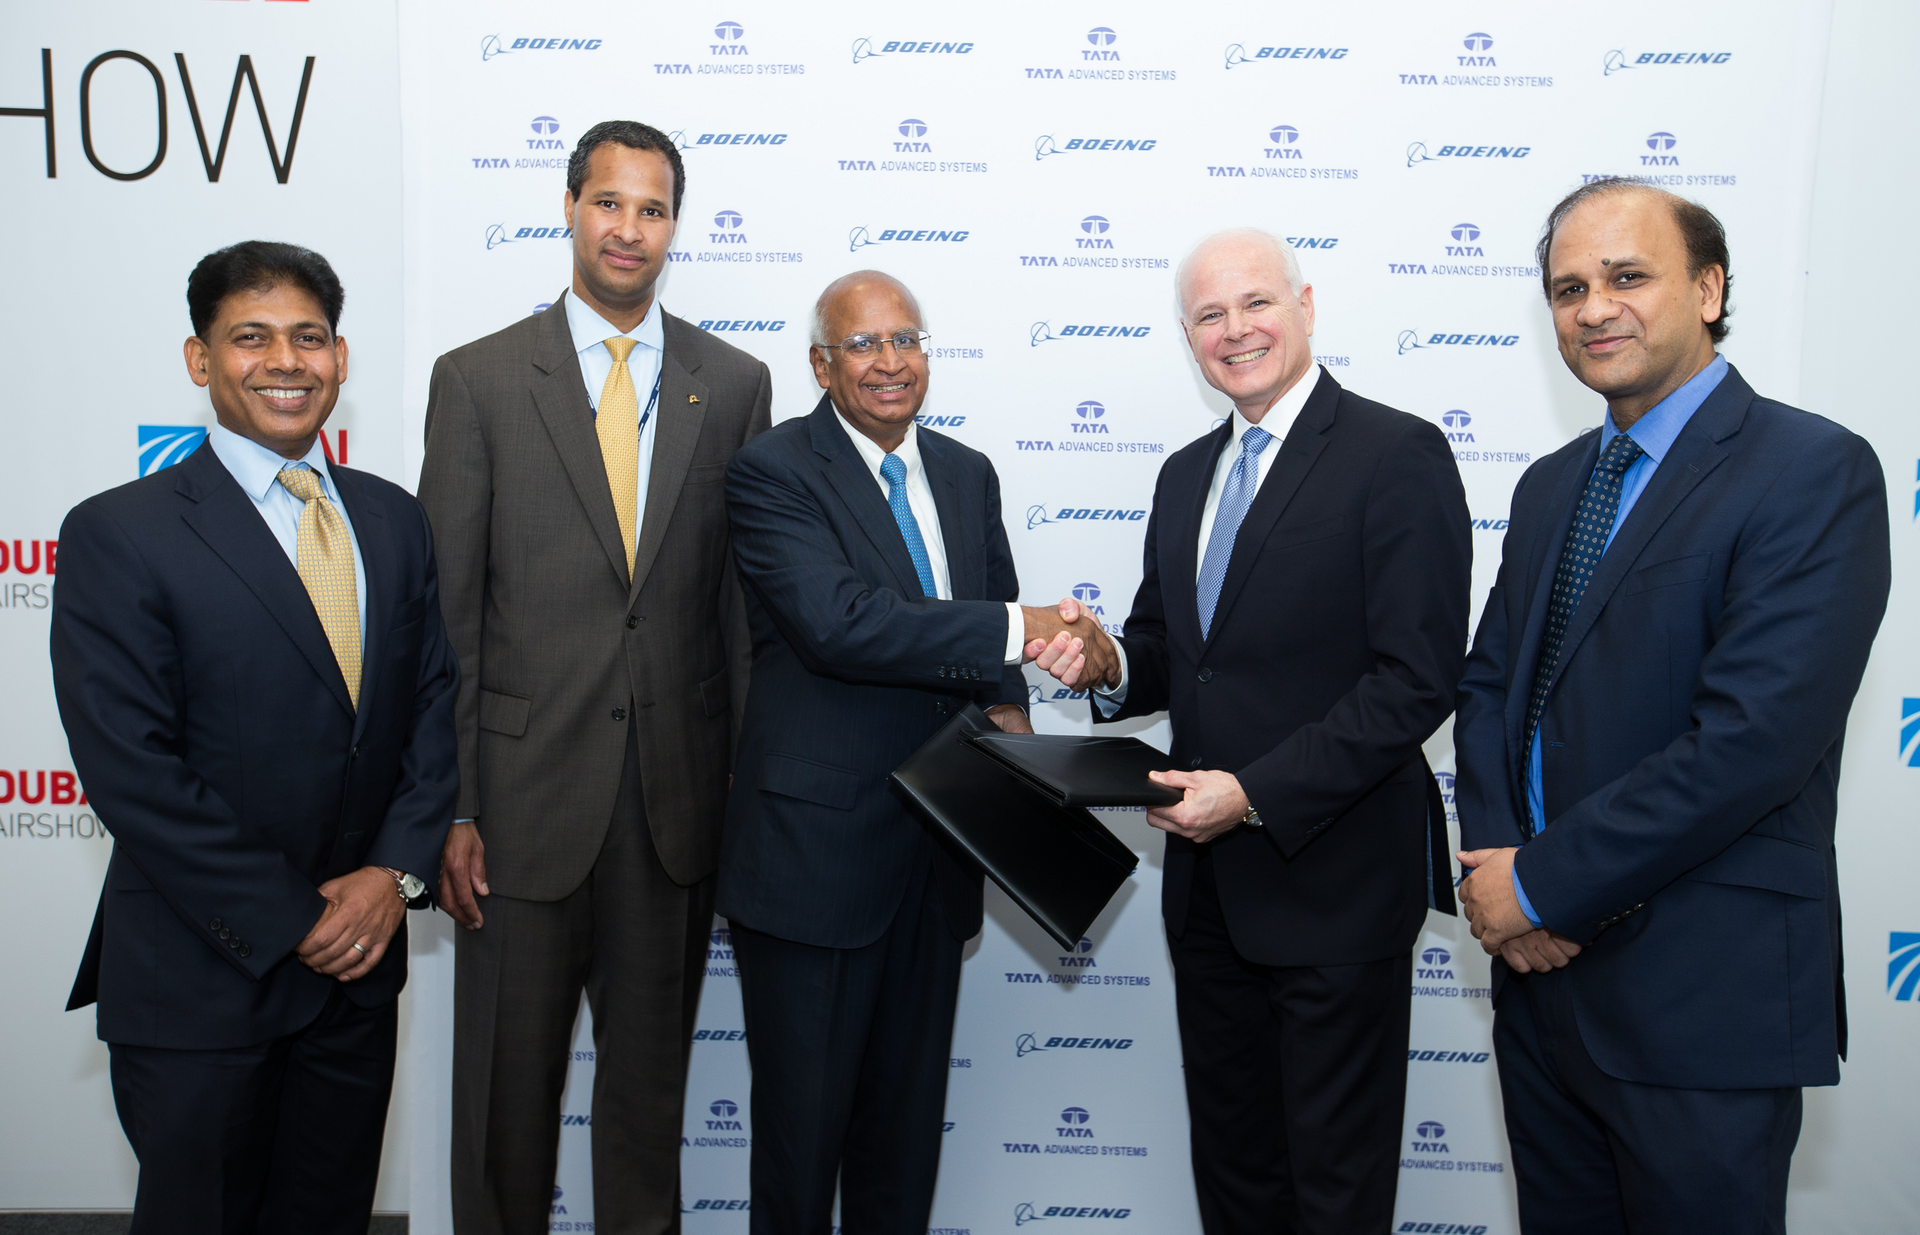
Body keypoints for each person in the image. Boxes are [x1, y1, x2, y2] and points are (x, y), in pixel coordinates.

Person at [1451, 179, 1890, 1234]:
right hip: (1542, 992)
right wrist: (1504, 876)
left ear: (1709, 289)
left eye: (1628, 276)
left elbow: (1751, 743)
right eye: (1569, 288)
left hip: (1702, 998)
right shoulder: (1552, 484)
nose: (1595, 307)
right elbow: (1491, 689)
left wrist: (1542, 887)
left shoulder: (1811, 469)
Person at [1033, 228, 1470, 1233]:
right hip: (1208, 900)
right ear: (1188, 336)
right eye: (1209, 314)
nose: (1234, 330)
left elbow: (1417, 680)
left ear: (1305, 307)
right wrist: (1104, 663)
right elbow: (1169, 650)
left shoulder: (1396, 453)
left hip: (1336, 888)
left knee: (1334, 1193)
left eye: (1255, 303)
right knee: (1237, 1184)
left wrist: (1255, 792)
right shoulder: (1186, 473)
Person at [51, 241, 458, 1234]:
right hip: (203, 978)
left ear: (341, 357)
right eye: (252, 337)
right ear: (200, 359)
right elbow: (132, 769)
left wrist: (393, 878)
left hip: (357, 981)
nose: (286, 360)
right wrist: (294, 916)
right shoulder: (121, 530)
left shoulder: (393, 519)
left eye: (309, 337)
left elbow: (431, 708)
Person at [417, 119, 771, 1234]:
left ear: (675, 226)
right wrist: (452, 805)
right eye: (609, 202)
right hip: (515, 815)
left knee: (647, 1110)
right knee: (504, 1110)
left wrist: (740, 791)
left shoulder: (735, 382)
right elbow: (447, 618)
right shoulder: (477, 379)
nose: (629, 228)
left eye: (652, 209)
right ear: (569, 208)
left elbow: (739, 612)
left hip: (674, 810)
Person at [719, 270, 1112, 1234]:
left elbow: (993, 646)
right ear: (821, 365)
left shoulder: (968, 473)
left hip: (938, 859)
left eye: (906, 340)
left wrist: (1014, 715)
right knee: (799, 1160)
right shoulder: (772, 470)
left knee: (901, 1159)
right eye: (863, 344)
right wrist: (1026, 625)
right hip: (816, 865)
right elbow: (841, 625)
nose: (890, 362)